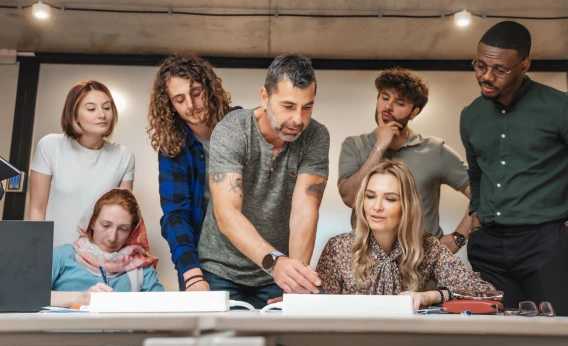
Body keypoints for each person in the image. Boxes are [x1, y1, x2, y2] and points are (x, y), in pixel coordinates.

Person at [198, 54, 330, 308]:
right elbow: (227, 214)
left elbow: (304, 212)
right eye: (288, 106)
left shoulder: (316, 136)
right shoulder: (232, 130)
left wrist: (295, 280)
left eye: (307, 107)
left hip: (276, 275)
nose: (298, 120)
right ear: (264, 97)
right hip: (222, 270)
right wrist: (275, 262)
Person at [460, 21, 568, 314]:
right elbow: (476, 173)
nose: (486, 76)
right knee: (497, 333)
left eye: (499, 70)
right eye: (480, 65)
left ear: (524, 65)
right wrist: (475, 215)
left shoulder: (559, 108)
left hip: (544, 244)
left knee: (555, 331)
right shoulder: (470, 116)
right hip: (488, 247)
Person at [318, 160, 495, 310]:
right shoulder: (338, 248)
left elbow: (487, 293)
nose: (377, 206)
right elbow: (317, 310)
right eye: (370, 196)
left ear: (407, 206)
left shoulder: (427, 246)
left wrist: (431, 296)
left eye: (390, 199)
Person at [338, 67, 471, 253]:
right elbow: (351, 198)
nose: (387, 107)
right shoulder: (355, 145)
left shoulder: (435, 150)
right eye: (384, 98)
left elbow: (480, 193)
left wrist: (460, 236)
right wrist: (379, 147)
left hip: (423, 264)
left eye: (400, 103)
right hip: (368, 262)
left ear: (414, 112)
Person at [148, 54, 237, 291]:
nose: (191, 105)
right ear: (170, 105)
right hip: (203, 261)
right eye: (179, 99)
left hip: (250, 256)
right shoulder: (173, 149)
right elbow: (176, 215)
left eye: (196, 93)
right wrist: (191, 273)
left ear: (209, 89)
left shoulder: (240, 125)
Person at [30, 81, 135, 246]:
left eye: (107, 108)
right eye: (91, 109)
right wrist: (37, 253)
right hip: (53, 252)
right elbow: (37, 209)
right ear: (75, 115)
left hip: (98, 258)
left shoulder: (124, 156)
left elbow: (122, 215)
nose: (102, 115)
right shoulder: (50, 146)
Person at [51, 188, 163, 307]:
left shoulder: (142, 269)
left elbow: (163, 313)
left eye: (123, 229)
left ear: (132, 232)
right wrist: (79, 299)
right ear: (92, 222)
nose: (112, 237)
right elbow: (30, 296)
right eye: (106, 225)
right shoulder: (61, 257)